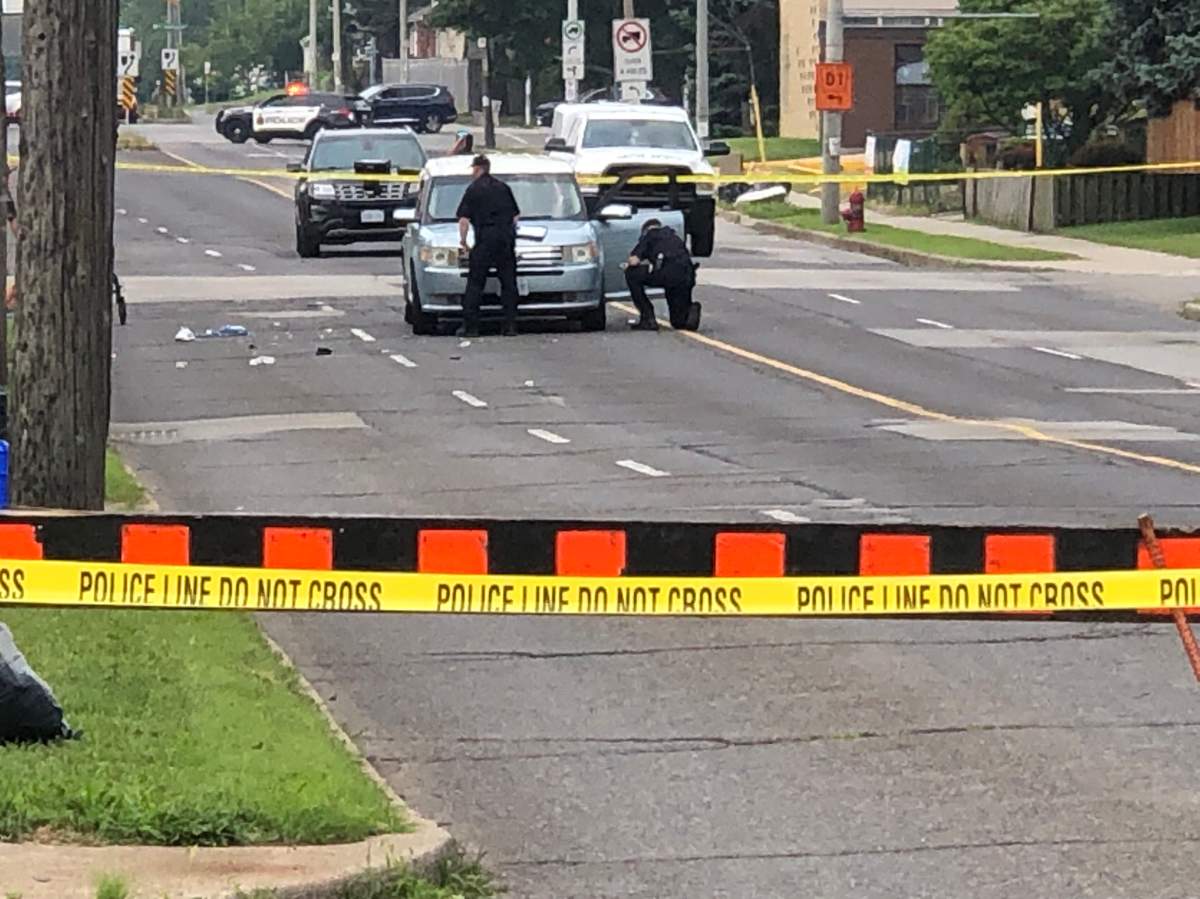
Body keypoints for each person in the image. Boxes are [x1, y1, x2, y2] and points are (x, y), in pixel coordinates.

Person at [456, 154, 520, 338]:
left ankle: (471, 327)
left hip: (484, 240)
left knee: (475, 283)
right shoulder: (503, 188)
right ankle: (509, 326)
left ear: (477, 169)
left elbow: (464, 220)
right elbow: (516, 216)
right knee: (508, 283)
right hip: (504, 240)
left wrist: (464, 241)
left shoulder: (473, 189)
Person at [624, 219, 701, 332]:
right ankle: (691, 310)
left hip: (668, 275)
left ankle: (648, 318)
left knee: (631, 273)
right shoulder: (674, 237)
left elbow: (634, 261)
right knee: (678, 323)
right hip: (687, 276)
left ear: (645, 230)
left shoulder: (649, 236)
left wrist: (628, 264)